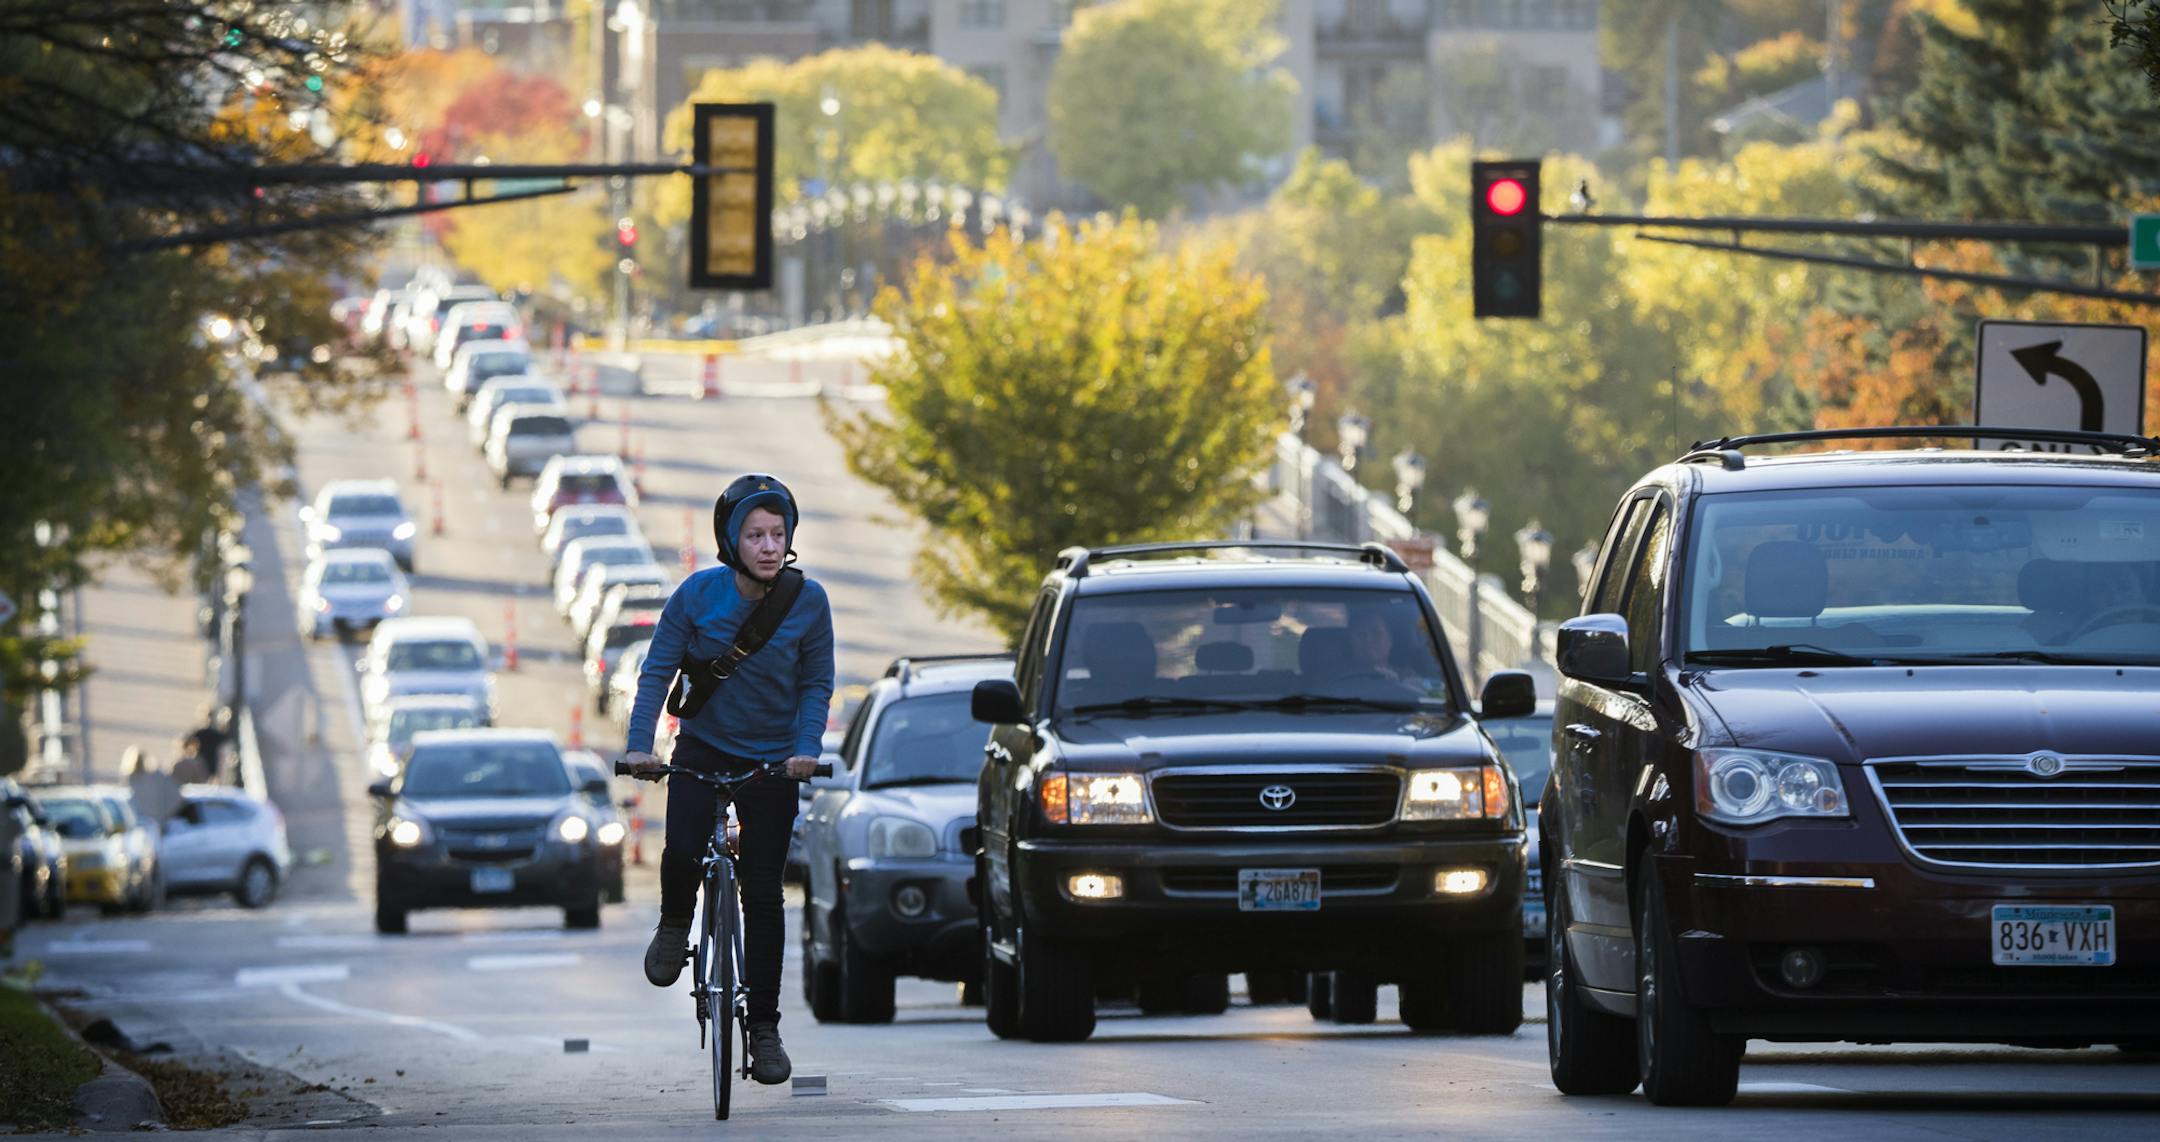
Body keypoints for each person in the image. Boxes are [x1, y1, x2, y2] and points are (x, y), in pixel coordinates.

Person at [621, 474, 834, 1087]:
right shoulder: (696, 596)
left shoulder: (809, 601)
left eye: (779, 534)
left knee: (764, 893)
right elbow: (657, 672)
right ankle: (671, 927)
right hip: (703, 748)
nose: (769, 545)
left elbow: (817, 683)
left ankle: (763, 1029)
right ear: (730, 540)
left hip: (774, 762)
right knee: (684, 847)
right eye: (755, 534)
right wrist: (640, 747)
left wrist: (804, 751)